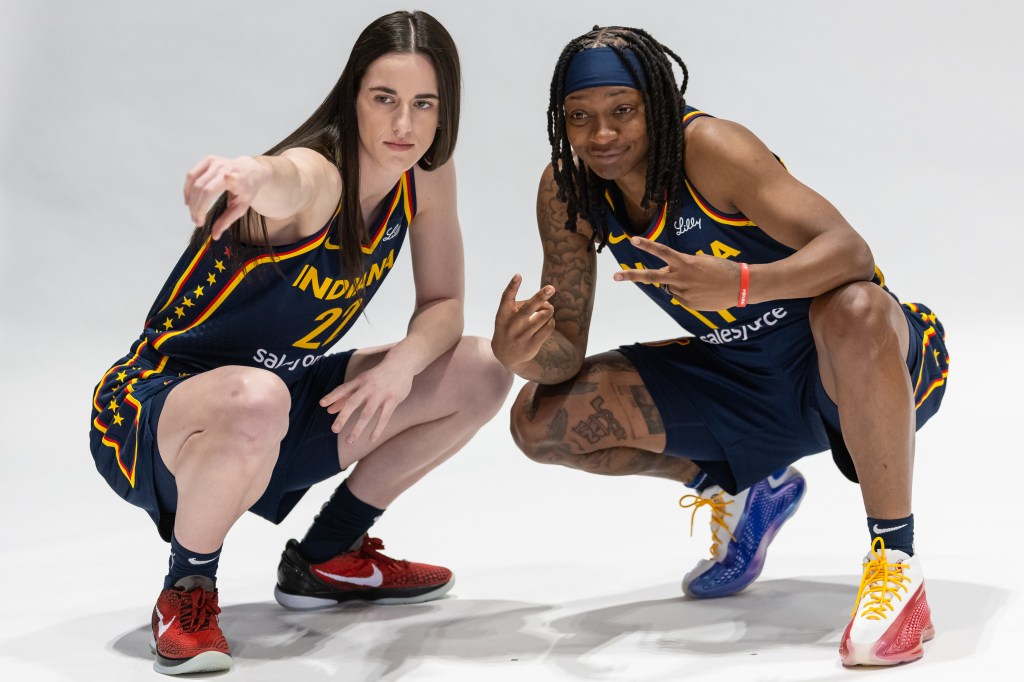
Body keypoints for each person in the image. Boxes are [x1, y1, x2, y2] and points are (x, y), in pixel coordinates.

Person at [493, 25, 948, 667]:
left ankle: (896, 563)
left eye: (622, 111)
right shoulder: (569, 186)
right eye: (580, 117)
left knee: (856, 305)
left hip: (850, 365)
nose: (601, 135)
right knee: (541, 420)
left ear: (657, 103)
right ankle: (745, 492)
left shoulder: (712, 148)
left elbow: (853, 253)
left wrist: (741, 283)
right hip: (741, 378)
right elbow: (564, 349)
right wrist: (522, 357)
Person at [89, 10, 511, 675]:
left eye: (423, 104)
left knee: (481, 370)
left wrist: (400, 367)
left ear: (443, 111)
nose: (404, 124)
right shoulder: (322, 174)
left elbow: (444, 305)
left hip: (276, 407)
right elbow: (293, 180)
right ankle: (187, 592)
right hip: (151, 415)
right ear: (354, 101)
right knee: (256, 397)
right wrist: (252, 176)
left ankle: (328, 559)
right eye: (385, 100)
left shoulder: (425, 173)